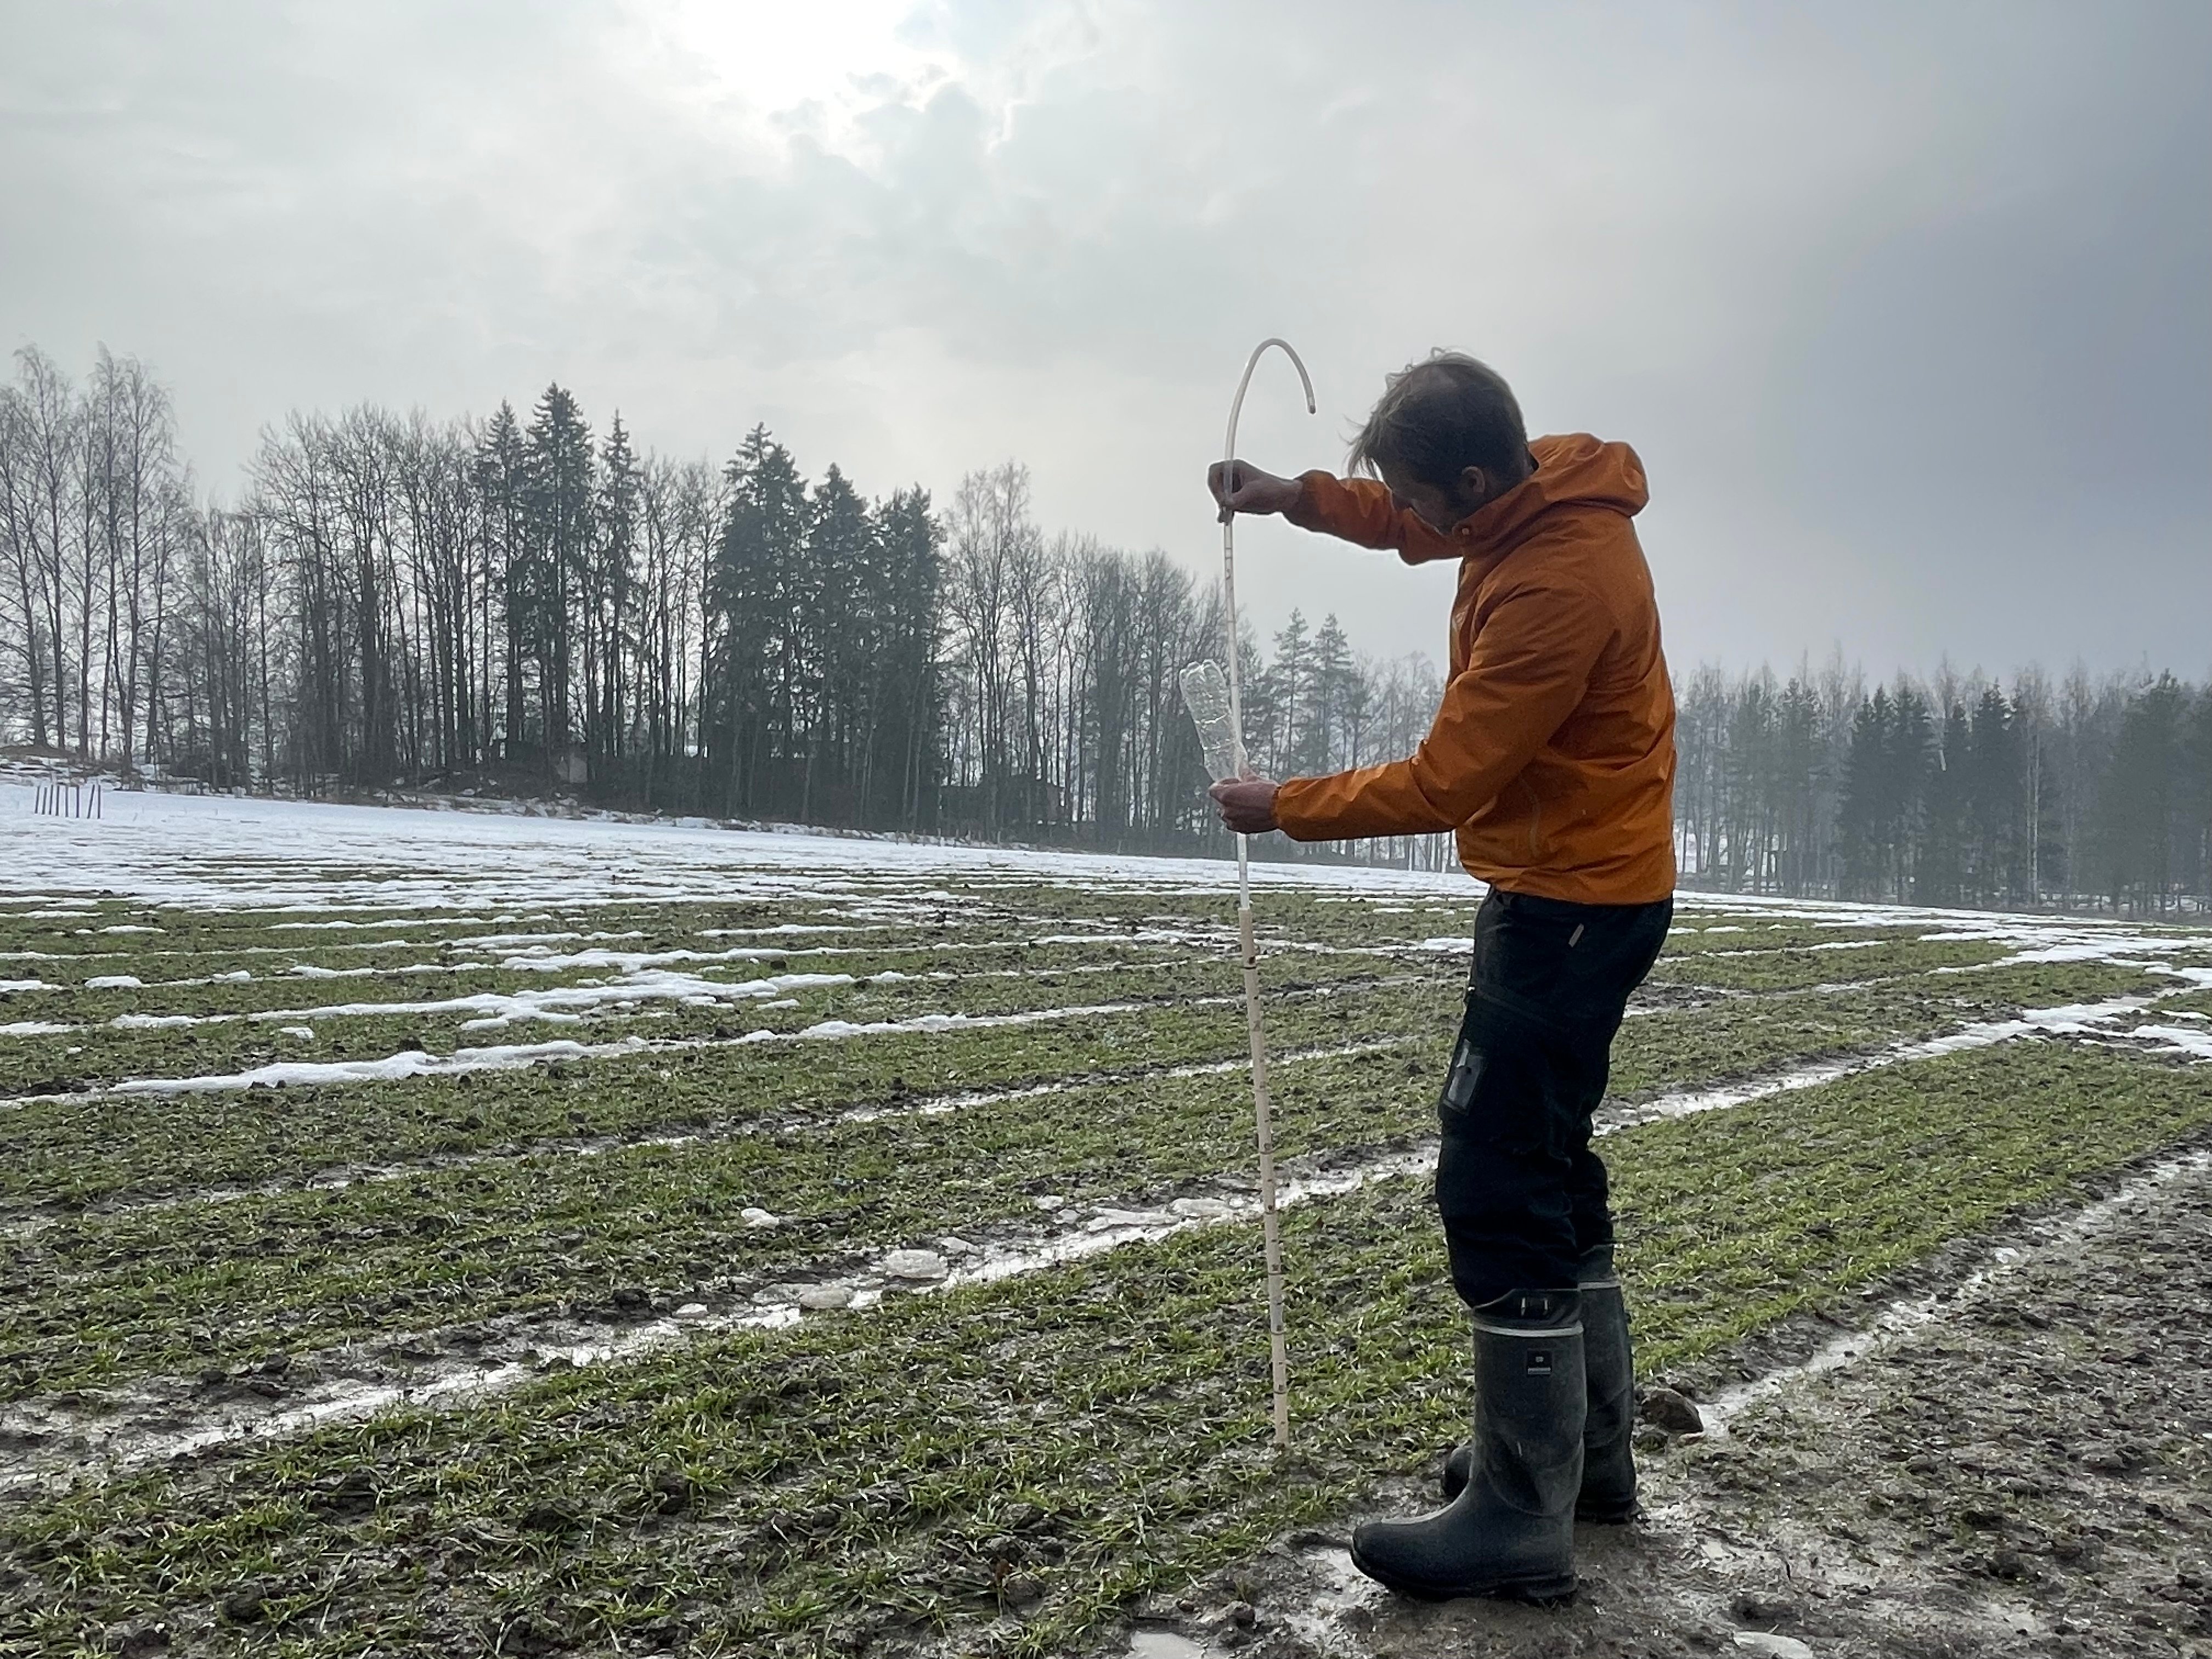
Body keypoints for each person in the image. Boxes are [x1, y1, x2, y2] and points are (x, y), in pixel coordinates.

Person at [1206, 351, 1677, 1603]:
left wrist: (1284, 806)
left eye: (1422, 497)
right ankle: (1588, 1461)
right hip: (1588, 887)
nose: (1412, 520)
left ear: (1475, 482)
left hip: (1569, 905)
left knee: (1494, 1171)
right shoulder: (1538, 489)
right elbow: (1410, 522)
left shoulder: (1558, 584)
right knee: (1550, 1159)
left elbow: (1448, 780)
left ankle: (1522, 1513)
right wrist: (1296, 498)